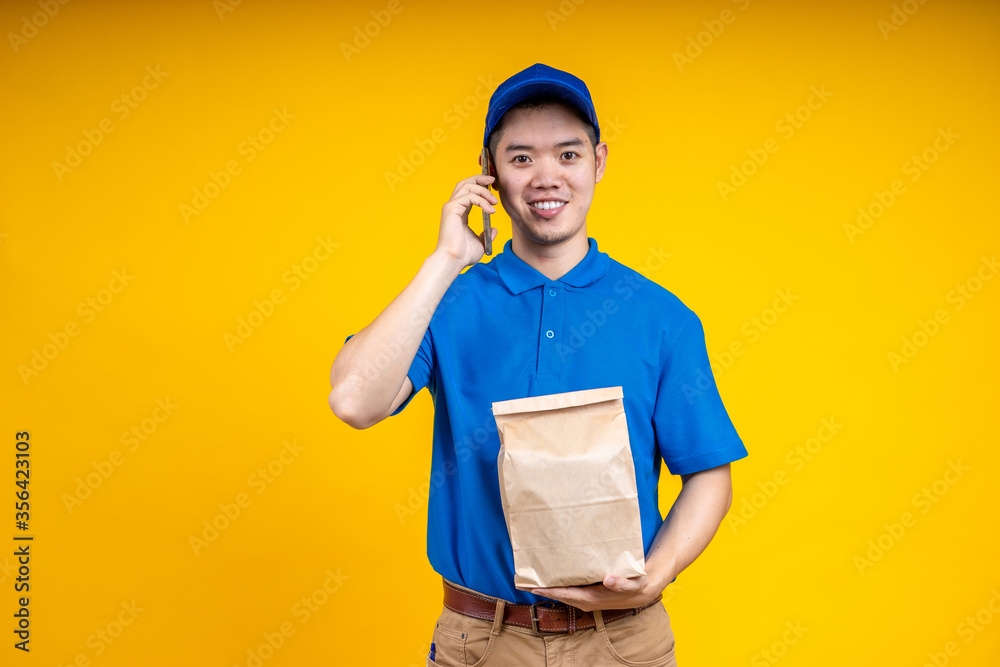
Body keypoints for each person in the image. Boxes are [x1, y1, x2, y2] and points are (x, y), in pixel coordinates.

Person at [328, 63, 748, 666]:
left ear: (598, 162)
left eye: (568, 154)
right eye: (521, 158)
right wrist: (447, 260)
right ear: (489, 171)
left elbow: (709, 472)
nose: (547, 177)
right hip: (482, 641)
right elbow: (353, 402)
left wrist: (661, 571)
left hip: (623, 642)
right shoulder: (448, 303)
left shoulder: (661, 316)